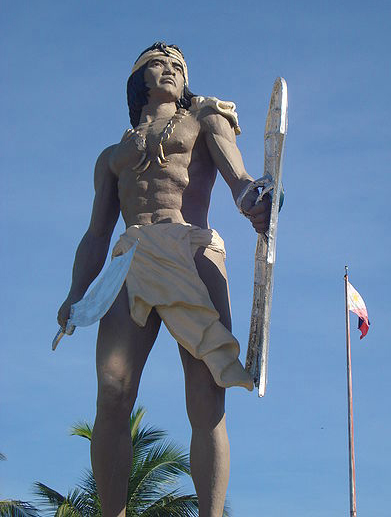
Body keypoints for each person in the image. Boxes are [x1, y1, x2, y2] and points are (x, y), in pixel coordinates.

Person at [57, 42, 270, 517]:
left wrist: (252, 197)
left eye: (178, 65)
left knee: (205, 387)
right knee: (112, 391)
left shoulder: (204, 119)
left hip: (191, 248)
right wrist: (76, 292)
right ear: (139, 82)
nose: (171, 70)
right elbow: (96, 233)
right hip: (131, 256)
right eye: (159, 63)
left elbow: (238, 179)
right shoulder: (112, 157)